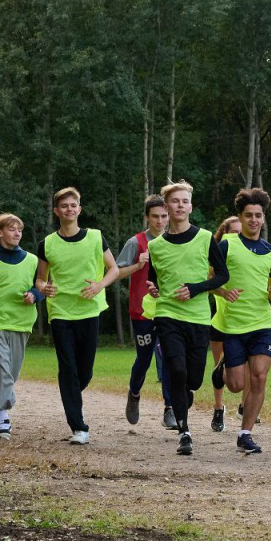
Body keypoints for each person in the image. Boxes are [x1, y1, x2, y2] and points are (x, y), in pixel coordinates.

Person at [147, 180, 229, 456]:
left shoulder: (205, 238)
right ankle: (184, 432)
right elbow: (154, 278)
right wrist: (153, 288)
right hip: (167, 314)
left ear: (190, 207)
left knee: (193, 379)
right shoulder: (156, 245)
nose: (180, 205)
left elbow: (222, 275)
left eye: (184, 201)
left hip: (198, 317)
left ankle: (185, 393)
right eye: (175, 201)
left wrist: (196, 288)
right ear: (167, 207)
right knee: (177, 370)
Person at [35, 187, 119, 445]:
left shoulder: (95, 237)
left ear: (79, 209)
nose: (69, 209)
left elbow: (114, 269)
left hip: (89, 310)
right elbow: (39, 279)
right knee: (68, 368)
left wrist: (100, 285)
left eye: (73, 205)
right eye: (64, 206)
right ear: (56, 211)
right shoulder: (47, 243)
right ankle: (79, 427)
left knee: (84, 372)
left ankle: (71, 393)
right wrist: (44, 288)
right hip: (60, 312)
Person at [210, 188, 271, 454]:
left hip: (262, 323)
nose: (254, 220)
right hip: (233, 326)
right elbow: (210, 278)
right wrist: (222, 292)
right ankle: (223, 367)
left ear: (263, 218)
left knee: (259, 376)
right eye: (249, 215)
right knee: (236, 385)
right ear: (240, 217)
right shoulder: (227, 245)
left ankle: (245, 433)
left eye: (258, 215)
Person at [0, 213, 43, 440]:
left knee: (10, 373)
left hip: (21, 323)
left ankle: (3, 403)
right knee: (0, 370)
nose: (17, 233)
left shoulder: (33, 260)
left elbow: (42, 286)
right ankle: (3, 418)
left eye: (19, 230)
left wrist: (35, 295)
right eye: (12, 229)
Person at [117, 195, 175, 429]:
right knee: (144, 359)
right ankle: (134, 393)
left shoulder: (175, 241)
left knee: (169, 357)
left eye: (164, 216)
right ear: (147, 217)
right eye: (155, 216)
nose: (160, 221)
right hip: (142, 312)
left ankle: (169, 408)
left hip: (169, 309)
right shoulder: (136, 242)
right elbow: (116, 272)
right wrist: (138, 265)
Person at [208, 216, 244, 430]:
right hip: (222, 321)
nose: (238, 236)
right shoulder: (217, 259)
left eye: (241, 232)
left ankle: (244, 406)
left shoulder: (253, 255)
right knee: (219, 371)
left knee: (251, 366)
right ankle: (218, 408)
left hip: (247, 321)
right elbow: (207, 284)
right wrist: (222, 291)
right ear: (224, 235)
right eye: (233, 233)